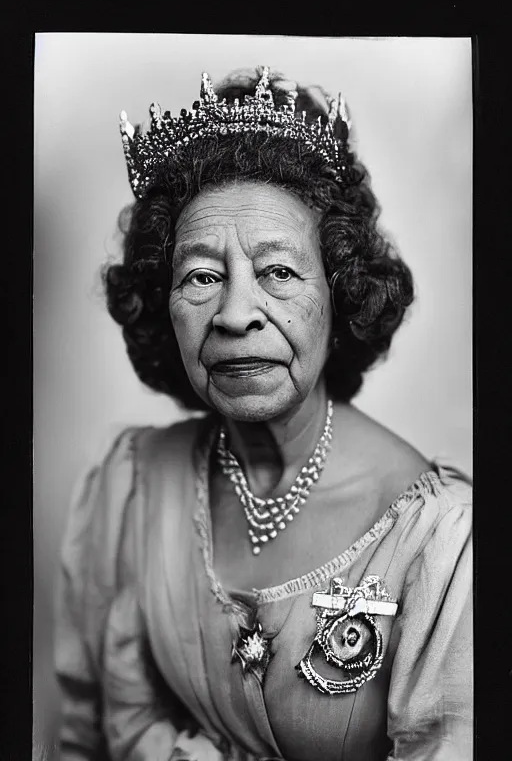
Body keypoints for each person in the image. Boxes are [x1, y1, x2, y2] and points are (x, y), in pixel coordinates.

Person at [54, 66, 472, 761]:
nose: (237, 314)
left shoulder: (441, 542)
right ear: (163, 306)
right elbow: (90, 736)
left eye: (278, 272)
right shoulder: (132, 485)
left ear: (341, 297)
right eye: (201, 276)